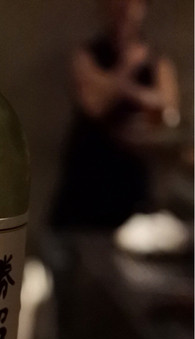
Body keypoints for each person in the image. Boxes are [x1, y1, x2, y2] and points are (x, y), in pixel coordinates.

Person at [50, 0, 180, 229]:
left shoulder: (157, 60)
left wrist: (121, 88)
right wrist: (127, 68)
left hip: (132, 174)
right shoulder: (88, 54)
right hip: (88, 170)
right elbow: (94, 106)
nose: (126, 10)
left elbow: (169, 112)